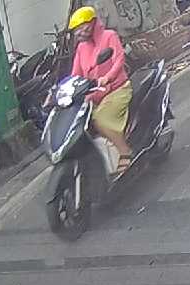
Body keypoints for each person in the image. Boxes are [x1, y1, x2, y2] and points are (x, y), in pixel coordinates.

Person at [68, 6, 134, 175]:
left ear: (92, 23)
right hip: (94, 95)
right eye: (76, 30)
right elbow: (75, 74)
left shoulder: (109, 36)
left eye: (81, 27)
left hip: (117, 89)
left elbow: (119, 59)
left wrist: (108, 77)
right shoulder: (81, 48)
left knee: (100, 119)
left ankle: (125, 151)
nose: (79, 32)